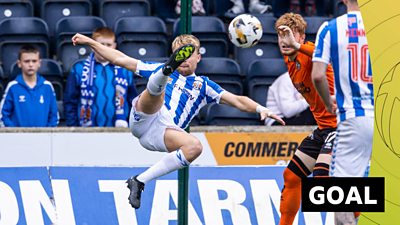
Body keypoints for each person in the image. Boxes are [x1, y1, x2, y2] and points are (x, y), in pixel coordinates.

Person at [71, 33, 285, 209]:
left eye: (188, 55)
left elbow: (237, 100)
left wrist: (260, 109)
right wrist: (90, 42)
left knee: (195, 146)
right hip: (144, 116)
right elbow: (120, 59)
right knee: (157, 90)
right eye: (179, 55)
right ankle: (165, 72)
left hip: (163, 134)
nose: (185, 59)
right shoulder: (154, 69)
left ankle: (139, 181)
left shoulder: (204, 85)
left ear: (198, 57)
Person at [311, 0, 373, 224]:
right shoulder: (387, 26)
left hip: (354, 117)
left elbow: (318, 75)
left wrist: (328, 102)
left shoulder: (330, 28)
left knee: (340, 194)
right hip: (387, 116)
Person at [274, 13, 337, 225]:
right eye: (280, 35)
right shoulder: (288, 57)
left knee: (322, 180)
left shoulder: (312, 54)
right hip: (324, 128)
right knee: (291, 176)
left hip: (342, 126)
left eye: (290, 35)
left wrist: (298, 46)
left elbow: (322, 55)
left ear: (301, 37)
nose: (284, 41)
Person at [64, 27, 138, 127]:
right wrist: (73, 128)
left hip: (119, 131)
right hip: (85, 132)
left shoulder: (125, 70)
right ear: (92, 46)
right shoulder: (79, 69)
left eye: (108, 45)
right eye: (101, 45)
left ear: (115, 46)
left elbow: (132, 101)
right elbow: (70, 102)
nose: (105, 48)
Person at [0, 45, 59, 127]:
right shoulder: (13, 87)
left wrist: (47, 134)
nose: (31, 64)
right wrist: (14, 133)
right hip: (17, 138)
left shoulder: (47, 87)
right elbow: (3, 115)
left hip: (43, 138)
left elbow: (54, 116)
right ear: (19, 64)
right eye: (27, 61)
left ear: (39, 63)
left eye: (34, 61)